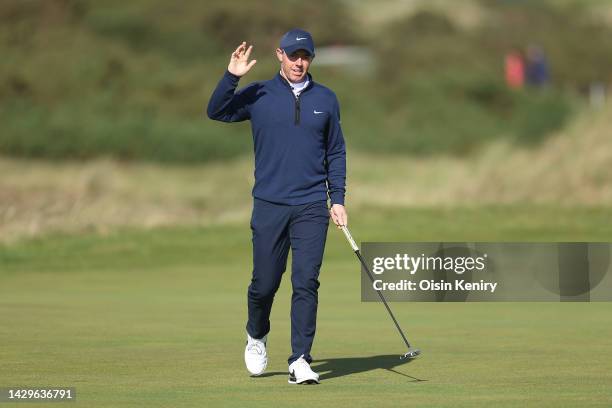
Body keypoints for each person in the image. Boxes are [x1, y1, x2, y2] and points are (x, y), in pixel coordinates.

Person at [206, 29, 348, 385]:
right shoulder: (259, 94)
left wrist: (339, 198)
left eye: (305, 56)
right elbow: (217, 112)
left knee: (306, 282)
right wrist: (231, 77)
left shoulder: (327, 99)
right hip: (270, 204)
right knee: (265, 284)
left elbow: (336, 152)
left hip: (312, 205)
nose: (299, 62)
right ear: (279, 55)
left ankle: (300, 359)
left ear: (311, 59)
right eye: (293, 55)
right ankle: (256, 334)